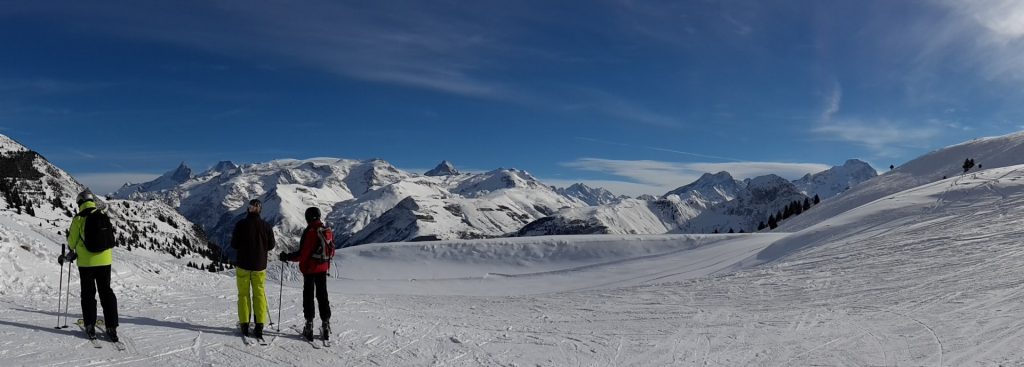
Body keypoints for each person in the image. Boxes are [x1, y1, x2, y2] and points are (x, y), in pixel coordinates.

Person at [60, 190, 119, 342]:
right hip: (105, 261)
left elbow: (72, 243)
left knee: (88, 293)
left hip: (86, 263)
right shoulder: (102, 215)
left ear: (80, 202)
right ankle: (111, 327)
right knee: (106, 292)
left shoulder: (79, 218)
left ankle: (90, 325)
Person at [279, 207, 333, 342]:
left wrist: (287, 257)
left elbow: (303, 254)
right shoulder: (326, 230)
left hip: (310, 269)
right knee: (322, 296)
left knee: (308, 296)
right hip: (322, 268)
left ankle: (309, 325)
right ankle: (325, 325)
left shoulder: (310, 231)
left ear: (308, 217)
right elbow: (332, 251)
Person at [231, 198, 276, 340]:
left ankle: (244, 325)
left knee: (243, 295)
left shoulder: (240, 224)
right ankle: (259, 327)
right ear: (260, 210)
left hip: (243, 265)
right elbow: (271, 246)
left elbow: (234, 244)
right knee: (259, 295)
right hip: (259, 266)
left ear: (248, 209)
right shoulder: (266, 226)